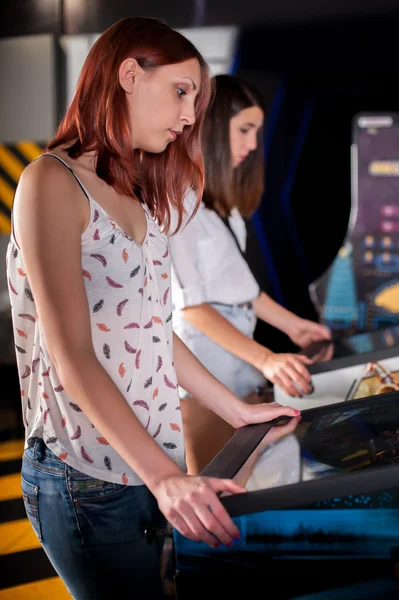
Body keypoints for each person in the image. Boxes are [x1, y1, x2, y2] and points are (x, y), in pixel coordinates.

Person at [7, 18, 300, 600]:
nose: (191, 116)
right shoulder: (51, 182)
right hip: (86, 473)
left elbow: (152, 332)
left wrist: (236, 410)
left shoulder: (138, 192)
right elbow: (73, 356)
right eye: (182, 91)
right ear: (129, 75)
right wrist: (167, 478)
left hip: (148, 461)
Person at [169, 74, 331, 474]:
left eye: (256, 131)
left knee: (240, 486)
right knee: (214, 489)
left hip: (236, 364)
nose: (253, 144)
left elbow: (245, 292)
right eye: (244, 130)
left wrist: (297, 328)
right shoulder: (179, 204)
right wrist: (268, 359)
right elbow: (192, 307)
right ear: (212, 125)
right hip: (202, 376)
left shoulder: (224, 208)